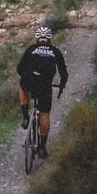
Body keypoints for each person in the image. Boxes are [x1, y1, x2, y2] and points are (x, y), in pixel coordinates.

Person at [17, 23, 67, 155]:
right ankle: (42, 147)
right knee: (44, 114)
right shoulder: (55, 51)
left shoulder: (31, 49)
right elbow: (63, 72)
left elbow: (19, 69)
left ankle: (25, 116)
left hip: (30, 80)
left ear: (37, 38)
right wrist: (61, 85)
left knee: (22, 87)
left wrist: (26, 77)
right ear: (50, 39)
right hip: (45, 85)